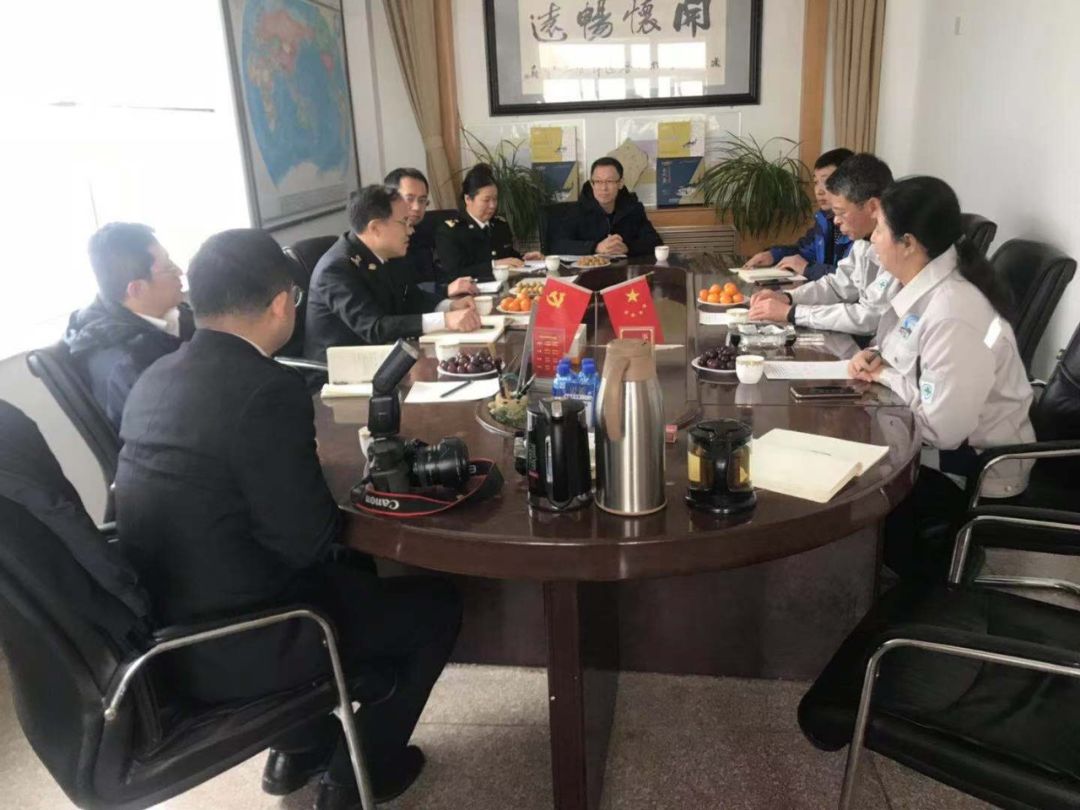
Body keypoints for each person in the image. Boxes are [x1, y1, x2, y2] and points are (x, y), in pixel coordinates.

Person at [115, 228, 462, 809]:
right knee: (435, 607)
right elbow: (309, 542)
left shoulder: (155, 377)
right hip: (248, 637)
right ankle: (355, 778)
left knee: (335, 584)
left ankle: (299, 747)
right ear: (282, 304)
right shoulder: (266, 389)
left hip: (163, 631)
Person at [847, 176, 1034, 580]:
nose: (872, 239)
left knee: (855, 488)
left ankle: (911, 589)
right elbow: (910, 354)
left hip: (972, 471)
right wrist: (880, 358)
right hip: (945, 447)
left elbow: (942, 431)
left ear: (909, 243)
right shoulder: (927, 289)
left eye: (879, 229)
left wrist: (887, 376)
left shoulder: (953, 311)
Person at [304, 185, 481, 361]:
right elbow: (375, 328)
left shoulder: (387, 253)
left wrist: (449, 306)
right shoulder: (336, 269)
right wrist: (445, 320)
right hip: (341, 368)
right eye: (404, 222)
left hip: (385, 355)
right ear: (375, 228)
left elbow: (410, 296)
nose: (411, 230)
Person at [748, 153, 899, 336]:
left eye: (841, 212)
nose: (836, 220)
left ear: (872, 207)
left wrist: (792, 313)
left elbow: (869, 318)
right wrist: (788, 297)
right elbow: (838, 285)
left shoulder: (898, 247)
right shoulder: (862, 241)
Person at [64, 222, 193, 429]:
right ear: (137, 289)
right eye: (169, 268)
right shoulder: (129, 364)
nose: (179, 271)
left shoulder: (168, 315)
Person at [743, 148, 854, 280]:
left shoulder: (858, 228)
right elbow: (804, 252)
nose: (819, 191)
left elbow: (850, 281)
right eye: (816, 182)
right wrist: (773, 255)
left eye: (826, 182)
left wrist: (807, 268)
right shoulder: (824, 219)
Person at [434, 163, 543, 282]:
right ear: (468, 199)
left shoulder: (500, 225)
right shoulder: (450, 231)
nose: (492, 205)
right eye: (486, 200)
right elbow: (455, 273)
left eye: (495, 199)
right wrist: (494, 265)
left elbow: (508, 257)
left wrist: (526, 260)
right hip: (472, 291)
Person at [548, 156, 663, 258]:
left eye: (609, 181)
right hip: (589, 272)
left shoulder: (633, 209)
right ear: (592, 184)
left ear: (620, 183)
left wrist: (627, 247)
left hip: (624, 270)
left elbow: (655, 242)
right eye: (598, 181)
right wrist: (595, 247)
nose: (604, 188)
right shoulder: (576, 210)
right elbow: (557, 245)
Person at [384, 166, 441, 291]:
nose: (417, 207)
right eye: (409, 199)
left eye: (422, 200)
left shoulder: (425, 231)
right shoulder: (383, 239)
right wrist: (444, 289)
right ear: (389, 201)